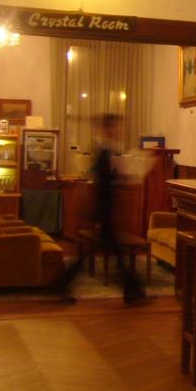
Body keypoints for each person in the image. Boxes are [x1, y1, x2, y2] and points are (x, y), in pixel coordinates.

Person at [60, 113, 145, 303]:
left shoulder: (106, 150)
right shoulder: (104, 151)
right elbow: (103, 183)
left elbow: (105, 180)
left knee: (105, 255)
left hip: (103, 211)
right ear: (107, 129)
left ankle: (132, 291)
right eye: (115, 127)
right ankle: (133, 292)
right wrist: (123, 177)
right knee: (113, 256)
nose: (118, 131)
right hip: (103, 211)